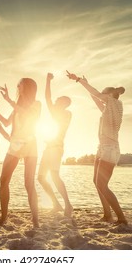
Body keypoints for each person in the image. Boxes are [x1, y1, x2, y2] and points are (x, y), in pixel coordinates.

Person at [66, 70, 127, 225]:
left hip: (110, 148)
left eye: (103, 93)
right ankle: (107, 214)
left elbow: (96, 94)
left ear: (110, 95)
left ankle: (121, 217)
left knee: (102, 184)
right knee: (96, 181)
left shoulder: (115, 103)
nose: (101, 95)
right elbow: (95, 97)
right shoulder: (108, 109)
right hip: (103, 148)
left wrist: (79, 80)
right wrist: (86, 82)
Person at [0, 78, 41, 228]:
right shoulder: (16, 106)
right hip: (15, 144)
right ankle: (3, 217)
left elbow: (27, 114)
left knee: (29, 183)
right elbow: (7, 123)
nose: (17, 86)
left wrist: (8, 100)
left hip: (30, 144)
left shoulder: (36, 104)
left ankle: (35, 220)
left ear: (28, 87)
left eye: (20, 84)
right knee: (4, 181)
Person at [37, 73, 73, 217]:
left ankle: (68, 205)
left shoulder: (67, 113)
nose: (56, 100)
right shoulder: (56, 111)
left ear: (64, 103)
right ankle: (56, 204)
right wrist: (47, 81)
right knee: (40, 177)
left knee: (55, 175)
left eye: (59, 99)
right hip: (48, 148)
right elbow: (48, 98)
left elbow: (48, 99)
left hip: (56, 148)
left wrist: (48, 81)